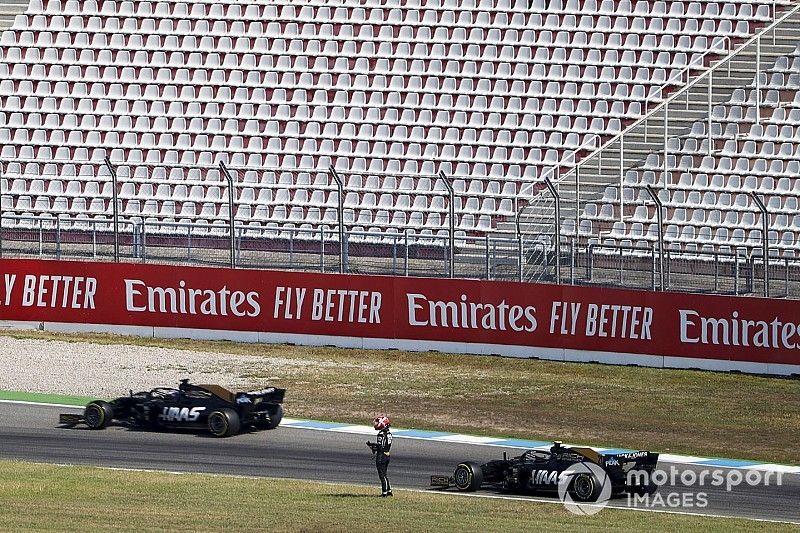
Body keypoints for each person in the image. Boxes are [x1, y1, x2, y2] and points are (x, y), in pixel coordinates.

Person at [366, 415, 392, 497]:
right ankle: (389, 490)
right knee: (384, 474)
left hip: (381, 456)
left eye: (377, 422)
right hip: (387, 454)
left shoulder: (381, 434)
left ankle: (384, 493)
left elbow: (380, 447)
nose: (376, 423)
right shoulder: (389, 433)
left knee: (382, 475)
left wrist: (373, 447)